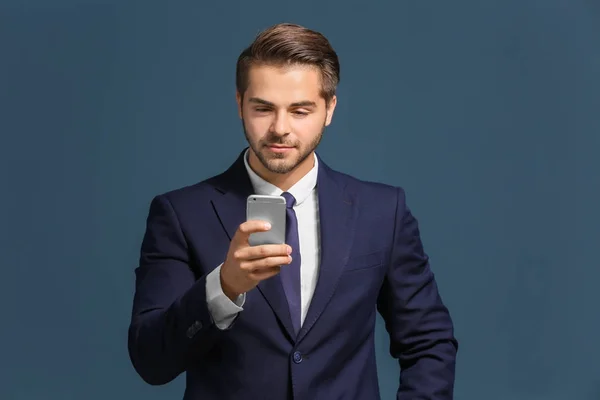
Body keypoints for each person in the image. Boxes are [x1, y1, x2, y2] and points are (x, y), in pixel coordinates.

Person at [127, 22, 458, 400]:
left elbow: (429, 342)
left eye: (300, 110)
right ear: (239, 104)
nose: (280, 129)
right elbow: (150, 359)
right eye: (263, 108)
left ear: (330, 108)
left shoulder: (381, 212)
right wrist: (224, 287)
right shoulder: (180, 214)